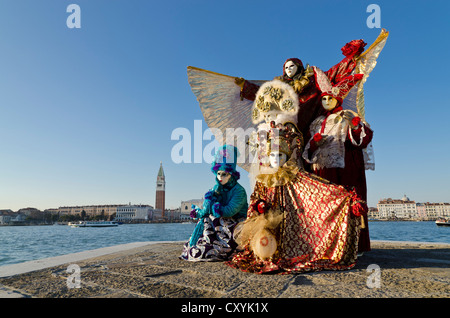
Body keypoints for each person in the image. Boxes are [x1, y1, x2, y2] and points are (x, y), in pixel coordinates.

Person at [226, 81, 365, 274]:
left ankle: (288, 248)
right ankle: (265, 249)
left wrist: (345, 198)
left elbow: (295, 154)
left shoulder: (290, 130)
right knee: (262, 214)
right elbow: (262, 158)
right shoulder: (262, 132)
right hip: (267, 181)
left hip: (288, 178)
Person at [302, 67, 373, 253]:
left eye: (330, 98)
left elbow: (362, 140)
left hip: (345, 169)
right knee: (324, 208)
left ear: (338, 99)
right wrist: (316, 143)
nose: (326, 102)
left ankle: (349, 245)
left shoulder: (346, 117)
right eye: (323, 98)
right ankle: (324, 245)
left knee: (347, 206)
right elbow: (308, 148)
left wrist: (355, 125)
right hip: (321, 171)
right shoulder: (317, 122)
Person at [235, 39, 367, 138]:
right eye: (286, 68)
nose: (288, 70)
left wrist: (350, 58)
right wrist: (244, 86)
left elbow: (334, 72)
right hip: (290, 127)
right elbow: (263, 94)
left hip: (313, 122)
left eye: (291, 66)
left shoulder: (313, 79)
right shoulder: (279, 87)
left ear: (299, 66)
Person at [180, 145, 248, 261]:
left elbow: (231, 210)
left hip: (237, 224)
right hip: (220, 223)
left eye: (224, 174)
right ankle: (206, 245)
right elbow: (207, 210)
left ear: (231, 174)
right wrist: (203, 207)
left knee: (213, 218)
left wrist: (217, 208)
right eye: (218, 174)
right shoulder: (217, 188)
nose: (220, 177)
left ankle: (221, 248)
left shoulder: (239, 191)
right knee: (206, 219)